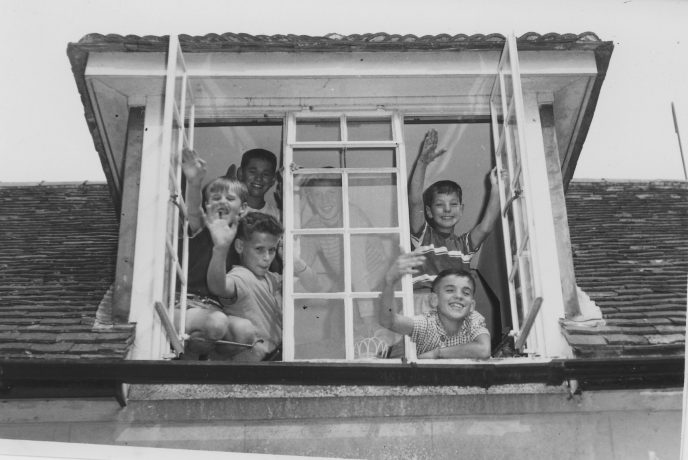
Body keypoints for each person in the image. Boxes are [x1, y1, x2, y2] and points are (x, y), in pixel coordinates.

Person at [408, 129, 502, 312]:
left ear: (461, 209)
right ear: (429, 211)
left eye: (453, 204)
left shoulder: (463, 246)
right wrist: (422, 162)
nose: (447, 210)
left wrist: (497, 190)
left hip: (451, 307)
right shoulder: (423, 236)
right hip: (425, 302)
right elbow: (414, 201)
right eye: (440, 205)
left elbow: (486, 226)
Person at [207, 212, 317, 361]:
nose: (266, 258)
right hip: (251, 364)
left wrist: (295, 261)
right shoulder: (241, 276)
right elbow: (218, 286)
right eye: (259, 249)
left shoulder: (272, 278)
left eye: (271, 250)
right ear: (240, 246)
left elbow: (313, 284)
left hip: (276, 358)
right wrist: (220, 250)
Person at [180, 148, 256, 358]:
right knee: (216, 324)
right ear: (207, 206)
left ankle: (203, 355)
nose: (222, 201)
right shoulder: (202, 228)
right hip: (184, 304)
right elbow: (193, 210)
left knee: (245, 332)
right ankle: (193, 353)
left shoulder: (241, 241)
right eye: (215, 197)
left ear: (243, 209)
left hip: (214, 309)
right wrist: (194, 182)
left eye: (230, 198)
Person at [298, 174, 390, 336]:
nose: (325, 201)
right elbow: (300, 267)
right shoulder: (313, 227)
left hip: (380, 282)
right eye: (317, 195)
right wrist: (298, 207)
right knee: (337, 330)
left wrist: (368, 319)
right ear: (310, 200)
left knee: (373, 335)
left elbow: (357, 269)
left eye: (331, 193)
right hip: (350, 284)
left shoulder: (352, 216)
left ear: (342, 195)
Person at [379, 252, 491, 359]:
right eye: (450, 290)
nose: (459, 296)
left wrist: (437, 353)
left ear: (472, 306)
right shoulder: (427, 324)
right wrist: (389, 283)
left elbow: (484, 349)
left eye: (466, 293)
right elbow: (388, 321)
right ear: (434, 300)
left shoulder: (473, 319)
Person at [233, 148, 281, 222]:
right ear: (240, 173)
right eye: (252, 172)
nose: (258, 178)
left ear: (273, 180)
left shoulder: (277, 217)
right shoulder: (230, 211)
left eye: (266, 174)